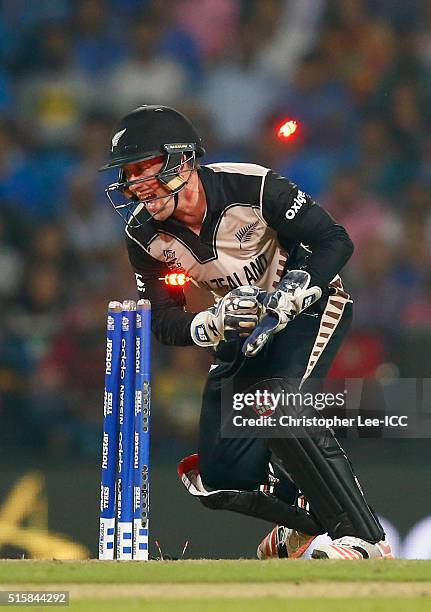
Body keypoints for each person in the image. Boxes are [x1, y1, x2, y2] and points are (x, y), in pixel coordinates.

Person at [99, 105, 392, 560]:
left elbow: (334, 239)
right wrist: (210, 323)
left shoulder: (251, 185)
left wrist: (296, 287)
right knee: (219, 477)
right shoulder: (143, 235)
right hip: (239, 327)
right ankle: (306, 519)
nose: (135, 186)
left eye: (144, 170)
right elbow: (159, 318)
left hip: (308, 308)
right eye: (128, 174)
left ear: (181, 161)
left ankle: (365, 539)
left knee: (276, 402)